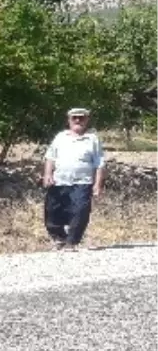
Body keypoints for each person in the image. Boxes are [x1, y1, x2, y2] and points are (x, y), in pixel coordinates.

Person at [42, 107, 105, 250]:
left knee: (80, 211)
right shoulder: (60, 137)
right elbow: (50, 157)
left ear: (87, 120)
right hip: (59, 181)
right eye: (74, 117)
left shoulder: (93, 139)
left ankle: (72, 241)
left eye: (81, 117)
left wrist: (98, 184)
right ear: (69, 120)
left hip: (82, 182)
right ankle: (59, 238)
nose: (78, 120)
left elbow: (99, 163)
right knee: (52, 211)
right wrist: (47, 175)